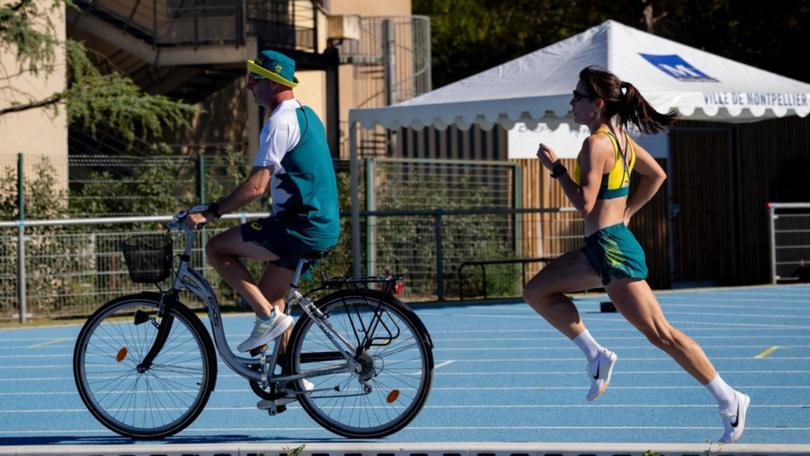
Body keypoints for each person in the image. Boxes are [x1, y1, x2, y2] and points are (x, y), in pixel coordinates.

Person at [523, 66, 750, 444]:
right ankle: (596, 355)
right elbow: (656, 175)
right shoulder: (621, 139)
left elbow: (584, 204)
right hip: (601, 246)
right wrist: (627, 212)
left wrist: (556, 169)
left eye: (577, 97)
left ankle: (730, 399)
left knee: (661, 334)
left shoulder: (596, 144)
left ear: (596, 104)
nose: (571, 102)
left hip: (612, 250)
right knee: (536, 291)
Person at [184, 49, 340, 358]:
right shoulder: (307, 115)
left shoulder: (278, 122)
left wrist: (212, 212)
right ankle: (290, 377)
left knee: (216, 248)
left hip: (301, 226)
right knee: (269, 300)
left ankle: (269, 320)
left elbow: (257, 186)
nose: (249, 86)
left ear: (272, 82)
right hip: (320, 225)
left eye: (254, 79)